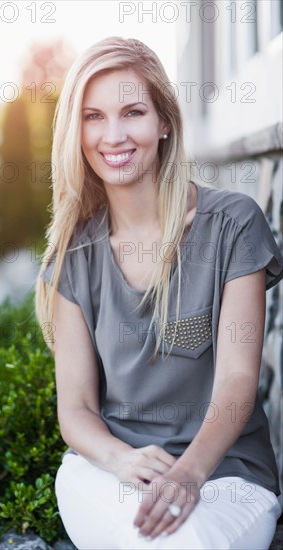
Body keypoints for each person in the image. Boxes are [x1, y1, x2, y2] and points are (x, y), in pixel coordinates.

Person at [35, 37, 283, 549]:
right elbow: (76, 407)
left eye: (133, 112)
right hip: (108, 473)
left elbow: (238, 380)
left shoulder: (232, 226)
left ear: (164, 121)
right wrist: (121, 461)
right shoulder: (72, 258)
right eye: (93, 116)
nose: (114, 135)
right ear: (75, 131)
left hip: (226, 477)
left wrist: (187, 476)